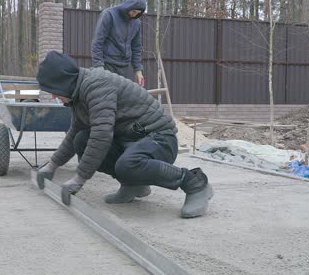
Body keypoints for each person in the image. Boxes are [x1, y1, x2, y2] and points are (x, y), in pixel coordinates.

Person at [35, 51, 213, 218]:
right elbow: (75, 132)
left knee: (127, 163)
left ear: (64, 82)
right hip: (132, 140)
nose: (52, 96)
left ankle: (194, 183)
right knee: (81, 140)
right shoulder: (78, 93)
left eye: (53, 90)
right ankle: (133, 185)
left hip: (160, 138)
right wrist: (52, 165)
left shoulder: (96, 85)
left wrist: (79, 178)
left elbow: (102, 134)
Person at [91, 0, 147, 86]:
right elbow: (97, 42)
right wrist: (99, 66)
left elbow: (136, 47)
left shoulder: (136, 23)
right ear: (128, 5)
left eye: (137, 13)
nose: (134, 15)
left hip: (124, 67)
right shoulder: (109, 15)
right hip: (107, 65)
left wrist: (138, 70)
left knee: (123, 98)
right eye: (133, 11)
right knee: (107, 96)